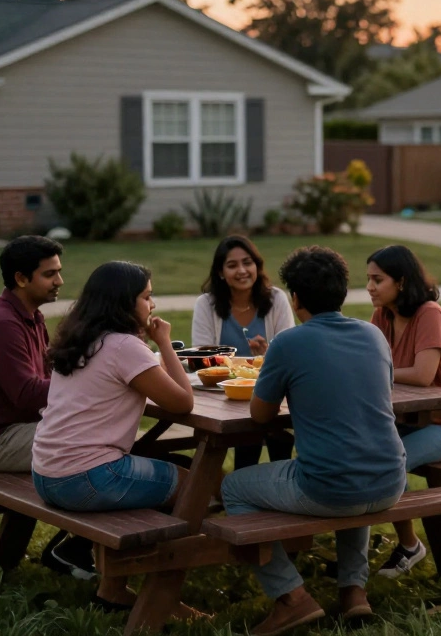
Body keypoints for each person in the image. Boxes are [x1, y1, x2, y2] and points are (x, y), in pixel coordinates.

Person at [221, 246, 405, 635]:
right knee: (350, 464)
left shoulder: (289, 343)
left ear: (296, 298)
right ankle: (353, 590)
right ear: (343, 291)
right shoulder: (373, 334)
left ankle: (291, 597)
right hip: (391, 481)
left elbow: (260, 415)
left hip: (330, 488)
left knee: (232, 487)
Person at [31, 261, 197, 612]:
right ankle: (162, 596)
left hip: (46, 475)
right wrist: (164, 342)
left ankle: (113, 589)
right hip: (87, 478)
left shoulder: (80, 340)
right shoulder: (124, 347)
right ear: (123, 302)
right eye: (146, 297)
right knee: (197, 487)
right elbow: (183, 402)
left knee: (161, 473)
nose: (152, 304)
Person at [0, 235, 93, 578]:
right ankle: (74, 549)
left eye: (59, 272)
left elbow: (48, 376)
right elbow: (28, 394)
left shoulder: (31, 316)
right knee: (97, 446)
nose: (60, 281)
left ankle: (75, 547)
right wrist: (88, 386)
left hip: (21, 429)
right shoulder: (2, 324)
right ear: (20, 278)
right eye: (49, 274)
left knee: (104, 435)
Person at [365, 245, 441, 578]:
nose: (369, 287)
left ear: (401, 281)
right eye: (368, 279)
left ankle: (410, 545)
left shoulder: (429, 314)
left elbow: (424, 374)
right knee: (357, 453)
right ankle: (357, 550)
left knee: (387, 463)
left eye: (377, 280)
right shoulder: (382, 316)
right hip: (403, 420)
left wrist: (376, 369)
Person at [191, 235, 294, 470]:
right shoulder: (206, 304)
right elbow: (202, 359)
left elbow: (288, 355)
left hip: (270, 392)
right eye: (232, 265)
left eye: (247, 263)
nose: (242, 270)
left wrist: (268, 354)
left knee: (278, 432)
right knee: (248, 437)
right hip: (223, 396)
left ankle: (282, 480)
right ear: (220, 272)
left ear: (257, 266)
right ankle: (241, 484)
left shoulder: (276, 299)